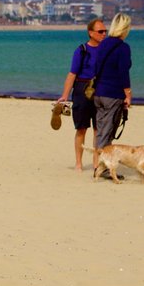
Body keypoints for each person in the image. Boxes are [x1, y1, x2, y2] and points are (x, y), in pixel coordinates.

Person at [56, 18, 106, 172]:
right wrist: (64, 96)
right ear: (91, 33)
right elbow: (72, 74)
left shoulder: (107, 50)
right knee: (81, 128)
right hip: (81, 89)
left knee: (99, 129)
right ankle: (79, 162)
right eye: (100, 31)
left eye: (105, 31)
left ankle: (96, 162)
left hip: (101, 89)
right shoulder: (82, 50)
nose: (104, 34)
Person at [93, 13, 133, 179]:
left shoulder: (103, 44)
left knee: (102, 131)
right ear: (125, 28)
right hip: (112, 94)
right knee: (107, 133)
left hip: (99, 93)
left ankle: (99, 166)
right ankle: (103, 168)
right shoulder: (122, 47)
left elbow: (96, 67)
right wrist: (128, 94)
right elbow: (123, 72)